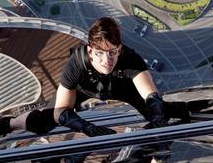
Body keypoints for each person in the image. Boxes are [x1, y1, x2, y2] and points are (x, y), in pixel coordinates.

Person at [11, 17, 189, 136]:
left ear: (119, 49)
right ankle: (8, 124)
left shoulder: (130, 59)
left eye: (112, 52)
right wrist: (87, 128)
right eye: (99, 53)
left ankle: (204, 108)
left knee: (159, 113)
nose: (107, 60)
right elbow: (60, 111)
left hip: (124, 89)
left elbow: (150, 95)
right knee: (44, 122)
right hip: (83, 89)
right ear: (90, 51)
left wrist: (157, 115)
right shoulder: (77, 62)